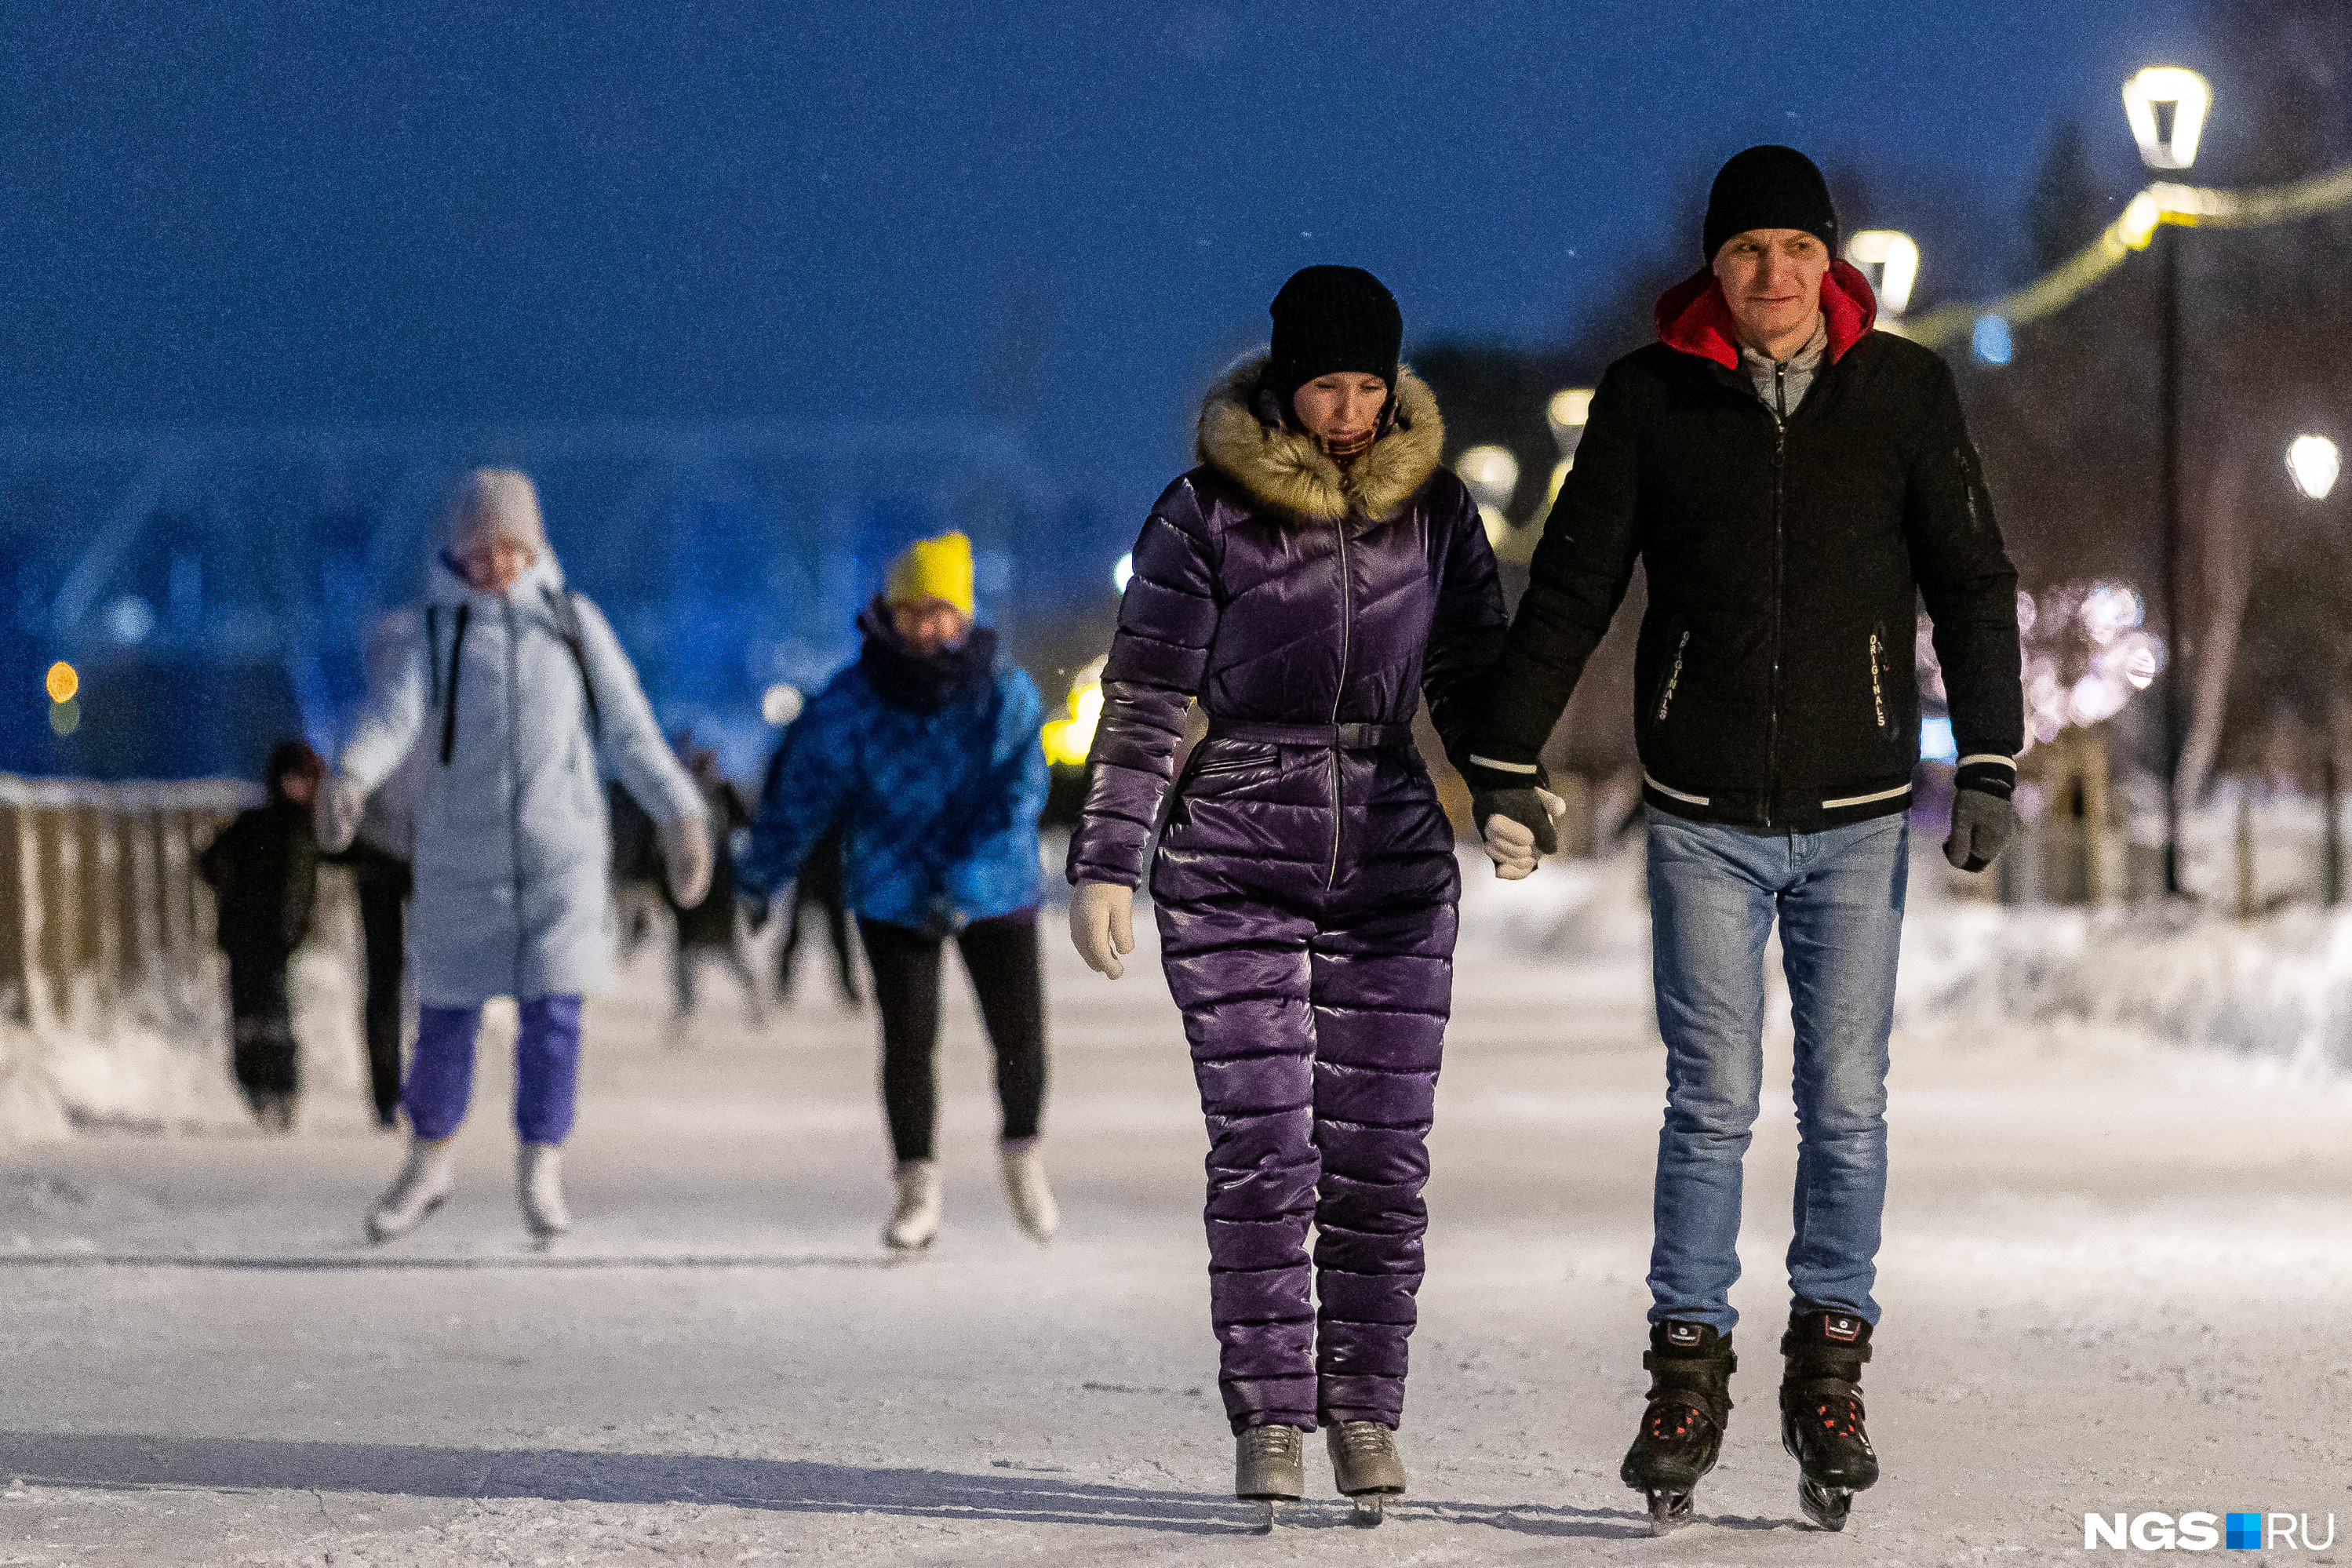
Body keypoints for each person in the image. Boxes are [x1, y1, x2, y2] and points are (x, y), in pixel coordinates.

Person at [1462, 147, 2025, 1534]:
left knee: (1844, 1098)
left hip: (1850, 813)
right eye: (1743, 252)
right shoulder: (1652, 399)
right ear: (1708, 271)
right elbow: (1577, 575)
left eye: (1791, 249)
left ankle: (1827, 1369)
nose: (1769, 275)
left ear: (1827, 264)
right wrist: (1503, 749)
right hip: (1704, 808)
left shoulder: (1899, 390)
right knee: (1708, 1097)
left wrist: (1994, 752)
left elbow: (1968, 572)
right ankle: (1686, 1371)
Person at [1065, 267, 1509, 1523]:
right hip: (1229, 857)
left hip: (1390, 854)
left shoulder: (1435, 513)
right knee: (1265, 1144)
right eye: (1328, 383)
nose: (1351, 408)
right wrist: (1109, 853)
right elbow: (1147, 689)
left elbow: (1475, 672)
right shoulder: (1205, 513)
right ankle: (1269, 1413)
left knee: (1377, 1156)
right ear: (1282, 382)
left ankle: (1364, 1406)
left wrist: (1508, 784)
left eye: (1372, 383)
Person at [319, 467, 710, 1243]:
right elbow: (393, 717)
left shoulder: (572, 624)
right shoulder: (433, 634)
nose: (494, 564)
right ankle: (428, 1158)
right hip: (460, 857)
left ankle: (541, 1164)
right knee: (445, 1020)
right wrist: (352, 775)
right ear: (454, 554)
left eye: (509, 547)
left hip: (561, 853)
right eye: (478, 550)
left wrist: (681, 811)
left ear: (532, 548)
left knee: (554, 1017)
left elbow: (628, 728)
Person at [740, 530, 1054, 1252]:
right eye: (913, 610)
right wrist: (762, 873)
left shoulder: (1003, 689)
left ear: (965, 613)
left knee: (1019, 1039)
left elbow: (1020, 788)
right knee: (909, 1041)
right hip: (892, 884)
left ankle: (1022, 1154)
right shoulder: (853, 700)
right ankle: (918, 1188)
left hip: (993, 884)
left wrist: (966, 871)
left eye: (941, 609)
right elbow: (801, 794)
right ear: (889, 612)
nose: (927, 625)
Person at [198, 739, 326, 1130]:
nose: (299, 787)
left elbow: (302, 887)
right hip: (246, 935)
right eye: (294, 777)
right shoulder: (257, 824)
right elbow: (210, 861)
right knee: (249, 1016)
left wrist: (293, 924)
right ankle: (258, 1088)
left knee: (272, 1015)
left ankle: (281, 1090)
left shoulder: (303, 829)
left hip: (273, 940)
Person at [664, 740, 764, 1036]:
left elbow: (747, 825)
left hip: (720, 886)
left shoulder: (723, 793)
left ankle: (754, 998)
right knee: (684, 952)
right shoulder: (679, 795)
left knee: (729, 948)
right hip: (688, 886)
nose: (703, 768)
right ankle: (685, 1011)